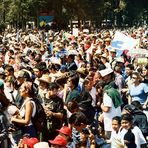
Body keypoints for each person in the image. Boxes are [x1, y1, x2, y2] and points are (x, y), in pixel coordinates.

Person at [99, 68, 122, 139]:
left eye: (103, 77)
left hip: (110, 124)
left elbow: (106, 109)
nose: (102, 78)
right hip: (117, 121)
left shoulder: (107, 92)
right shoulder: (115, 89)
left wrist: (101, 105)